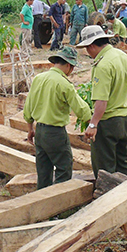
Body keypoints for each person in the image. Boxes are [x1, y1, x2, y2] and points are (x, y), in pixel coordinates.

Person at [23, 46, 93, 189]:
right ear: (68, 65)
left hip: (40, 131)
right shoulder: (64, 83)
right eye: (72, 68)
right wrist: (93, 122)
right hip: (55, 133)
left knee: (43, 171)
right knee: (64, 168)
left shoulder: (38, 78)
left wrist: (30, 129)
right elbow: (81, 109)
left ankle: (42, 200)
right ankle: (58, 200)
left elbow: (28, 106)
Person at [76, 25, 127, 178]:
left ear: (92, 45)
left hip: (108, 122)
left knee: (104, 170)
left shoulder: (102, 65)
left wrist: (93, 124)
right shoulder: (123, 56)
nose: (88, 53)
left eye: (87, 49)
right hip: (126, 119)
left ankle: (108, 200)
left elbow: (102, 100)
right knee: (124, 164)